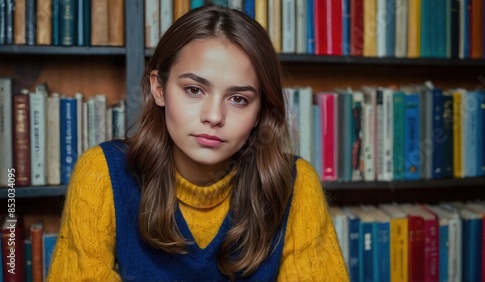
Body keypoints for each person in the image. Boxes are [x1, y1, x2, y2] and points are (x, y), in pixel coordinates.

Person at [48, 5, 348, 281]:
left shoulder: (295, 186)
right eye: (194, 89)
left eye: (238, 99)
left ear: (260, 112)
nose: (214, 116)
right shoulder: (102, 175)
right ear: (159, 89)